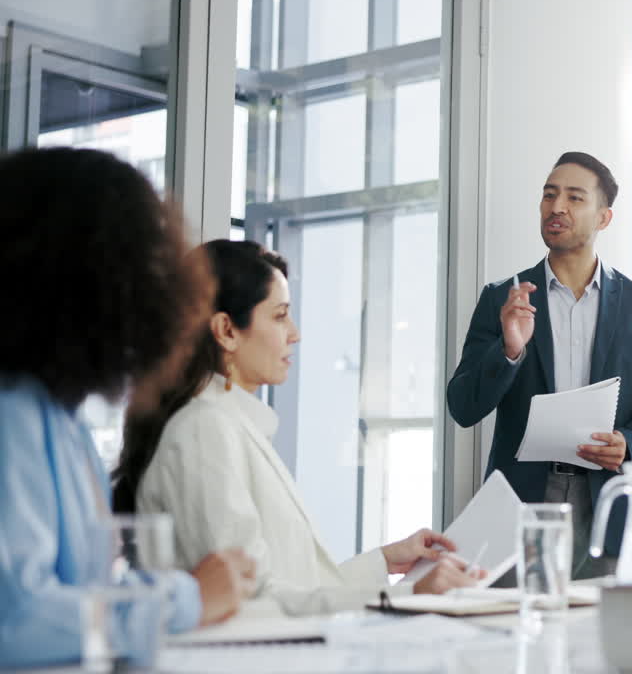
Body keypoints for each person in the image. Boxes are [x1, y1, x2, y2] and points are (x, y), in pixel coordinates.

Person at [113, 239, 483, 616]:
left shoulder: (227, 424)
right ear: (226, 331)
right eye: (279, 316)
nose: (294, 333)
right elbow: (249, 604)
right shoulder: (204, 431)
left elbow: (294, 587)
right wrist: (411, 597)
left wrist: (385, 562)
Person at [0, 148, 254, 668]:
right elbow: (16, 621)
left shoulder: (62, 422)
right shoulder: (11, 415)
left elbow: (83, 592)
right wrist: (186, 598)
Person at [448, 151, 632, 577]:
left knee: (597, 633)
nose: (557, 207)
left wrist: (630, 442)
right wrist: (509, 351)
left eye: (574, 198)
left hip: (606, 499)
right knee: (516, 627)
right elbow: (462, 407)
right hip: (522, 500)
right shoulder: (503, 298)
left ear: (604, 218)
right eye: (549, 196)